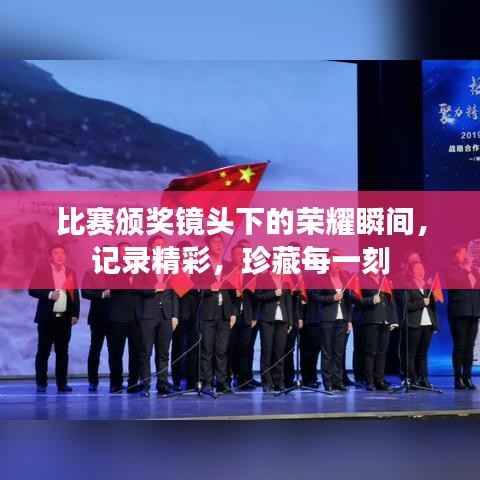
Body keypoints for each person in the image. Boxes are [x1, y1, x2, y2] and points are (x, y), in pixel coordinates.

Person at [29, 244, 80, 393]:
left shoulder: (70, 272)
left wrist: (75, 314)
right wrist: (50, 294)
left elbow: (74, 294)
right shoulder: (42, 271)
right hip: (47, 318)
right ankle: (41, 383)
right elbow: (32, 289)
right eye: (56, 253)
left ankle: (62, 384)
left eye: (62, 253)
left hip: (64, 318)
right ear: (50, 257)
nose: (60, 256)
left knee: (63, 352)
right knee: (43, 351)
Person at [137, 236, 179, 396]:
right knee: (145, 351)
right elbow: (136, 287)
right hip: (148, 314)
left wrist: (175, 315)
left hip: (166, 315)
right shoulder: (142, 264)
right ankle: (145, 384)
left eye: (163, 245)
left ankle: (162, 384)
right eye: (158, 245)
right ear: (151, 248)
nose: (161, 248)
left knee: (163, 353)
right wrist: (153, 289)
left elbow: (174, 293)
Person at [197, 234, 236, 394]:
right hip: (207, 313)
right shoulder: (202, 264)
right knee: (207, 350)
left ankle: (221, 382)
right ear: (208, 245)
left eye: (221, 242)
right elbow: (196, 287)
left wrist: (233, 313)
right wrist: (209, 288)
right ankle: (206, 382)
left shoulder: (228, 265)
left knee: (222, 350)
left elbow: (233, 292)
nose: (219, 245)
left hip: (224, 313)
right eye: (215, 242)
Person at [308, 258, 353, 392]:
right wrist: (331, 298)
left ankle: (338, 381)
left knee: (339, 352)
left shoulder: (344, 278)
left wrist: (349, 320)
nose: (338, 264)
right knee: (327, 351)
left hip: (342, 319)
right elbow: (313, 295)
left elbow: (348, 300)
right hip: (327, 319)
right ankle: (327, 382)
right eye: (335, 261)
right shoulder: (322, 278)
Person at [106, 242, 144, 394]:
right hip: (117, 317)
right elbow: (114, 286)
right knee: (116, 352)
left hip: (136, 317)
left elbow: (145, 288)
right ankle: (115, 383)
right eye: (123, 251)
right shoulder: (111, 268)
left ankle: (133, 383)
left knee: (136, 352)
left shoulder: (140, 269)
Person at [446, 244, 480, 390]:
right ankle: (458, 378)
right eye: (462, 253)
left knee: (470, 346)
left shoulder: (473, 270)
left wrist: (473, 271)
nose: (465, 256)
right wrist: (466, 270)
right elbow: (455, 283)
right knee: (460, 345)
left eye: (466, 253)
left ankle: (467, 377)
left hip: (473, 312)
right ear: (455, 255)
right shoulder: (450, 270)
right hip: (459, 312)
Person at [225, 242, 256, 391]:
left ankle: (243, 380)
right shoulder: (227, 271)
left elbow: (255, 297)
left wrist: (255, 316)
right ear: (232, 256)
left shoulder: (250, 272)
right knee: (229, 348)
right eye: (238, 254)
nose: (241, 257)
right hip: (231, 315)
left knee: (245, 349)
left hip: (247, 315)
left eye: (243, 255)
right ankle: (227, 378)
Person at [359, 272, 398, 391]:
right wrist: (371, 300)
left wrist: (393, 320)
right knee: (370, 352)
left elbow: (391, 301)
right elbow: (356, 299)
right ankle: (369, 381)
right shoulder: (363, 280)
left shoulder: (384, 280)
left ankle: (379, 380)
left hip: (385, 321)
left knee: (382, 352)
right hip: (371, 320)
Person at [255, 272, 293, 392]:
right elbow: (258, 296)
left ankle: (278, 381)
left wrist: (290, 321)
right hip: (267, 319)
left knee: (279, 352)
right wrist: (273, 294)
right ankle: (267, 382)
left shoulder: (285, 278)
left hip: (282, 319)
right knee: (267, 351)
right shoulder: (262, 277)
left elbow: (288, 300)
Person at [404, 261, 439, 388]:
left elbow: (433, 308)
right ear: (411, 271)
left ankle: (424, 379)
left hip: (428, 324)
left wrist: (435, 325)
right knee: (411, 354)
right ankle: (412, 380)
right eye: (417, 269)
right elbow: (406, 306)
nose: (421, 271)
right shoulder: (407, 286)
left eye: (422, 269)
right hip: (414, 324)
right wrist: (421, 303)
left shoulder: (427, 286)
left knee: (423, 354)